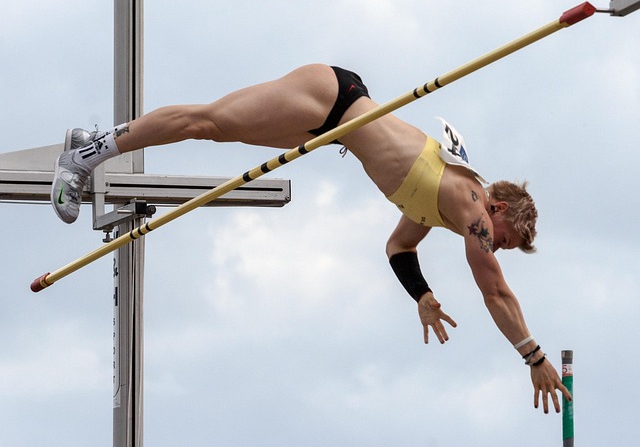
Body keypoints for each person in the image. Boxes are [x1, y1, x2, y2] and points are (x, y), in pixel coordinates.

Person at [51, 63, 571, 413]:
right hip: (330, 98)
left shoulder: (440, 212)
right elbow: (495, 291)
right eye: (509, 238)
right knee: (205, 122)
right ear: (498, 208)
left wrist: (424, 295)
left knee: (214, 126)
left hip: (330, 122)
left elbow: (399, 247)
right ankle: (88, 153)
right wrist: (534, 355)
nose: (500, 247)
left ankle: (89, 144)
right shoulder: (472, 206)